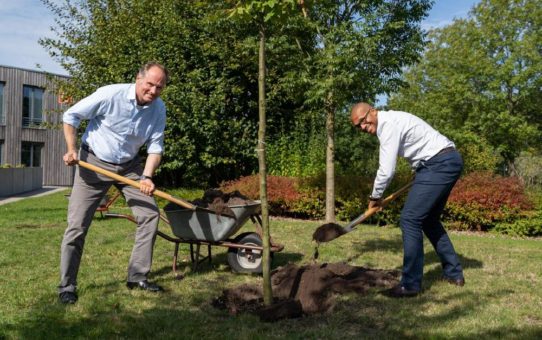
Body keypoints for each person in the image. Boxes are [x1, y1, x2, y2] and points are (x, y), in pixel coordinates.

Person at [58, 62, 168, 304]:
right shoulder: (111, 94)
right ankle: (67, 286)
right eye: (149, 84)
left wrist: (147, 176)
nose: (152, 90)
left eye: (159, 87)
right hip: (94, 162)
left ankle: (137, 276)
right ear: (138, 79)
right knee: (76, 226)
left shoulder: (159, 109)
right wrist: (71, 149)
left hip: (130, 167)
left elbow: (156, 147)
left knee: (149, 214)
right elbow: (71, 115)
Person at [350, 102, 465, 298]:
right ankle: (454, 274)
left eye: (363, 121)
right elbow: (419, 147)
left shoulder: (387, 125)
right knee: (429, 220)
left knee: (410, 219)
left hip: (438, 164)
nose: (362, 127)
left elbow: (386, 171)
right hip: (444, 161)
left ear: (373, 111)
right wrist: (419, 170)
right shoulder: (392, 120)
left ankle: (410, 284)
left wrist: (374, 197)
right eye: (357, 126)